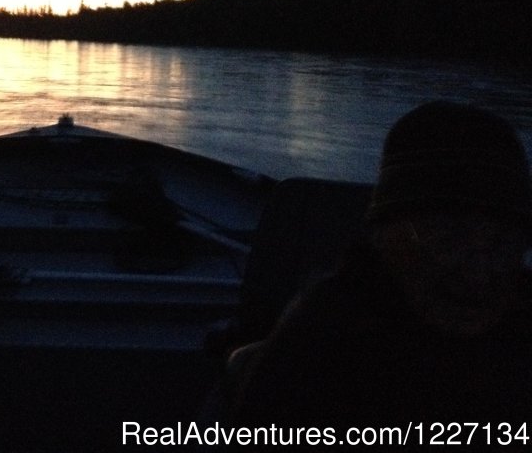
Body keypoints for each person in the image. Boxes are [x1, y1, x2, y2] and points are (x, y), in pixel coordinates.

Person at [227, 101, 532, 433]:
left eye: (504, 244)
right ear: (382, 236)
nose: (478, 273)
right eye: (448, 240)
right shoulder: (320, 351)